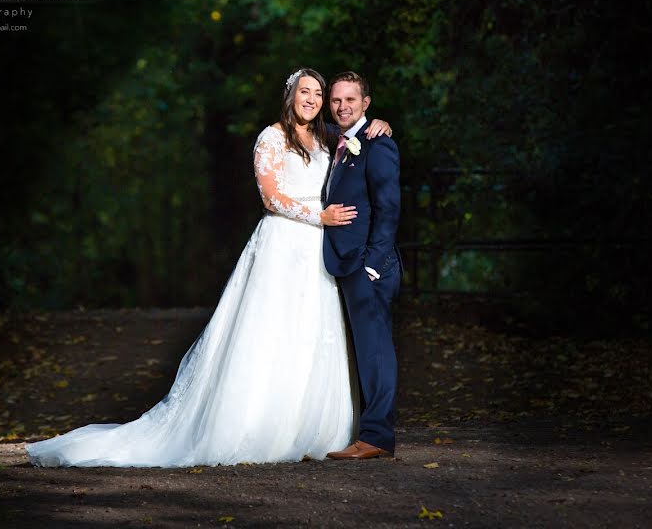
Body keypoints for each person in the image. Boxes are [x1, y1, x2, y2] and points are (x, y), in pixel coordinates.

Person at [24, 68, 392, 467]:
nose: (314, 99)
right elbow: (270, 198)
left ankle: (312, 427)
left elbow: (359, 134)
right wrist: (318, 216)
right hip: (283, 244)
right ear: (290, 96)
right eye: (306, 92)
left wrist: (380, 124)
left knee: (311, 332)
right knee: (270, 332)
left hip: (318, 253)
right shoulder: (272, 137)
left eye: (318, 93)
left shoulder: (328, 139)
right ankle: (259, 427)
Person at [322, 71, 402, 460]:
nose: (342, 107)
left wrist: (372, 266)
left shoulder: (378, 144)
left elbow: (388, 209)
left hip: (369, 267)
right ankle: (368, 432)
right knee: (364, 350)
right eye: (336, 100)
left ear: (366, 103)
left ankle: (376, 437)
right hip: (347, 264)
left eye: (350, 100)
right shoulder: (338, 141)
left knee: (376, 351)